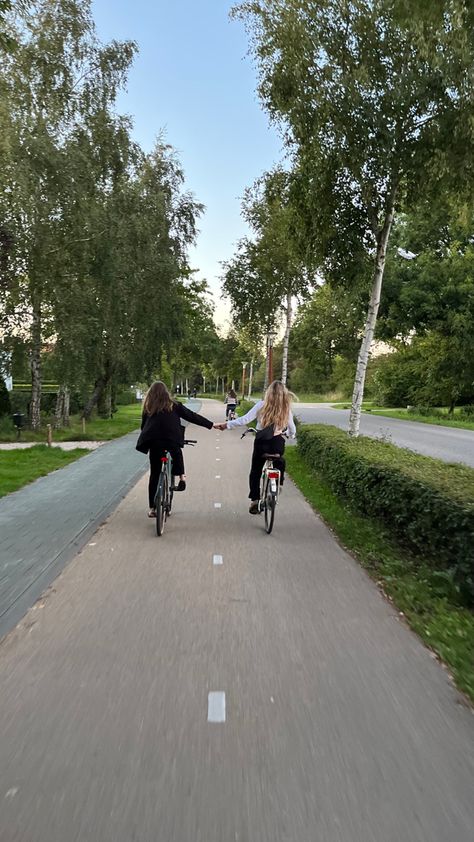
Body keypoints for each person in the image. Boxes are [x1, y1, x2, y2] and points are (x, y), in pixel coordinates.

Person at [215, 380, 296, 514]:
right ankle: (278, 484)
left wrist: (226, 424)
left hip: (261, 443)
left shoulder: (261, 405)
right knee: (279, 460)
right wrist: (288, 434)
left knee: (256, 471)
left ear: (269, 393)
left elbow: (245, 420)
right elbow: (292, 430)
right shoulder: (286, 408)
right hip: (277, 444)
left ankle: (255, 500)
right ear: (284, 394)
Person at [136, 381, 213, 518]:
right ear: (166, 393)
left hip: (154, 442)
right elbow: (192, 416)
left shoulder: (148, 407)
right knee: (176, 451)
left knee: (155, 473)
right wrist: (211, 425)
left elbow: (144, 427)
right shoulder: (175, 405)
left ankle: (153, 508)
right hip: (172, 440)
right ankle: (182, 477)